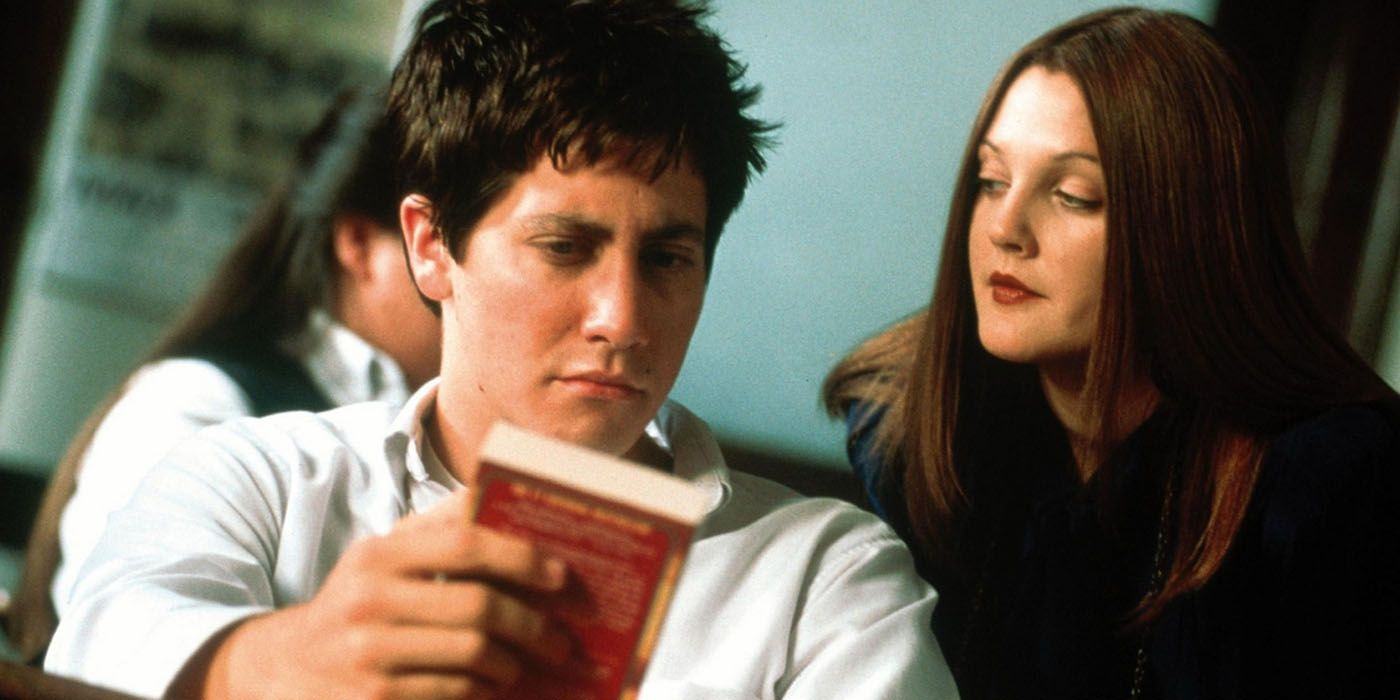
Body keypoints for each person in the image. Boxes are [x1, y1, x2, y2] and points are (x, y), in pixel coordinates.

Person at [45, 1, 956, 698]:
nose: (622, 317)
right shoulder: (261, 478)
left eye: (669, 257)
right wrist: (284, 658)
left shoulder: (823, 575)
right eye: (565, 247)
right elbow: (96, 641)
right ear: (432, 246)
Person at [823, 7, 1399, 700]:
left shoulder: (1326, 486)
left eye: (1073, 196)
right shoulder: (909, 424)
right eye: (991, 180)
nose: (1005, 228)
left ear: (1188, 229)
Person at [3, 87, 442, 664]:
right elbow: (119, 651)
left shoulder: (422, 423)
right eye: (440, 244)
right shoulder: (196, 401)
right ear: (360, 243)